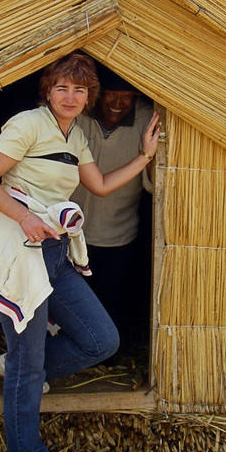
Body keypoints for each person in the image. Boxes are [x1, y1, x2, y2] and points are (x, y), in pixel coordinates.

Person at [0, 53, 160, 452]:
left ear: (88, 95)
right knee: (27, 356)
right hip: (21, 250)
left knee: (100, 340)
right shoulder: (26, 125)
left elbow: (102, 186)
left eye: (79, 89)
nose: (71, 96)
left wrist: (145, 156)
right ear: (48, 91)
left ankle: (19, 368)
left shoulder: (75, 136)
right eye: (62, 88)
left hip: (56, 254)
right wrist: (23, 215)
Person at [72, 67, 154, 358]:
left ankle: (110, 360)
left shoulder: (146, 119)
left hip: (118, 234)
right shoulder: (76, 115)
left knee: (112, 305)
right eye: (111, 94)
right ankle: (76, 358)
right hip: (70, 235)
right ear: (97, 94)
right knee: (73, 309)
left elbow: (155, 184)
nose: (118, 103)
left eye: (126, 97)